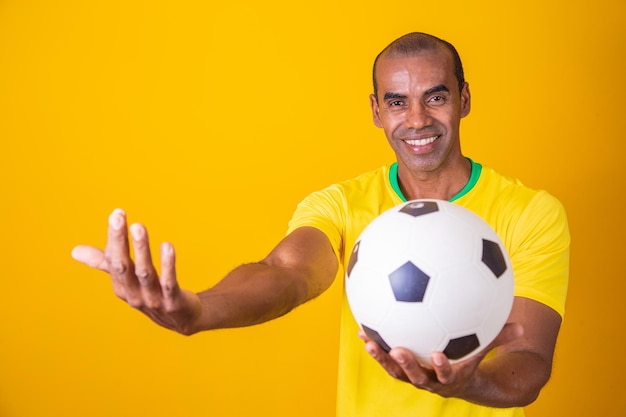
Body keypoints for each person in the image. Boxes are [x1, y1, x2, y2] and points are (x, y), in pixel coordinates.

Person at [72, 32, 570, 416]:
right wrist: (201, 311)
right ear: (377, 111)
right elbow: (287, 273)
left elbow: (529, 357)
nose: (416, 119)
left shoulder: (530, 211)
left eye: (435, 98)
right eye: (397, 101)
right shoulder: (342, 203)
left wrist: (470, 383)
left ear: (464, 99)